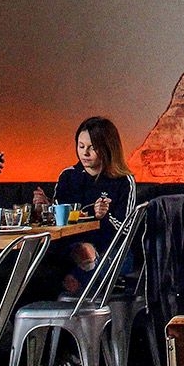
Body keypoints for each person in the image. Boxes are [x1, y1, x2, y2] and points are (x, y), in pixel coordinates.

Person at [32, 116, 133, 294]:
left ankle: (78, 282)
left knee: (86, 255)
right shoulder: (68, 176)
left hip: (112, 249)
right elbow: (58, 223)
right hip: (70, 247)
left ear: (108, 148)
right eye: (81, 146)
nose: (85, 153)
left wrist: (105, 216)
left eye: (92, 148)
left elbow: (127, 230)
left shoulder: (123, 181)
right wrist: (45, 208)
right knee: (45, 257)